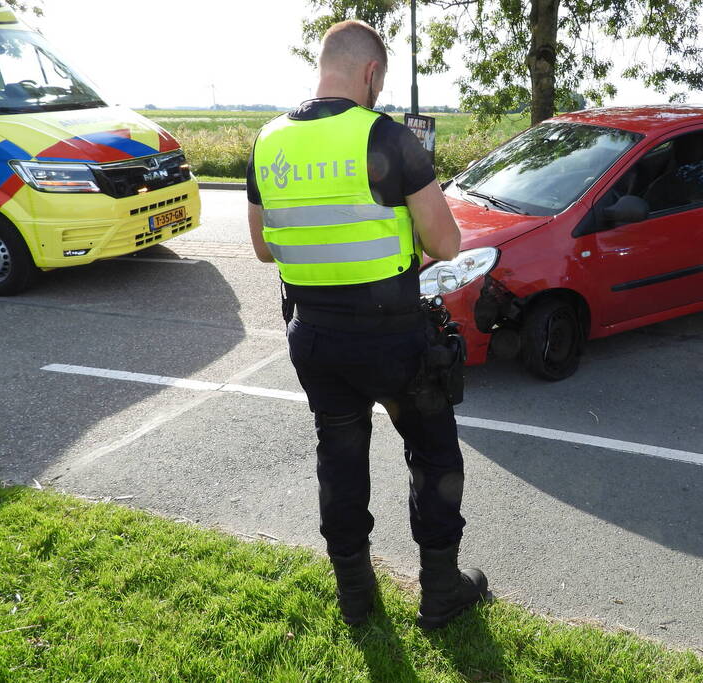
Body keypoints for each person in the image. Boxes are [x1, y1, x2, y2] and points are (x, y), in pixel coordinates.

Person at [245, 19, 489, 629]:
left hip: (314, 335)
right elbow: (447, 241)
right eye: (379, 80)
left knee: (341, 453)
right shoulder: (386, 136)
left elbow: (263, 249)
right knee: (434, 456)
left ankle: (355, 593)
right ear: (371, 73)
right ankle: (440, 591)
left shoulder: (269, 142)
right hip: (394, 338)